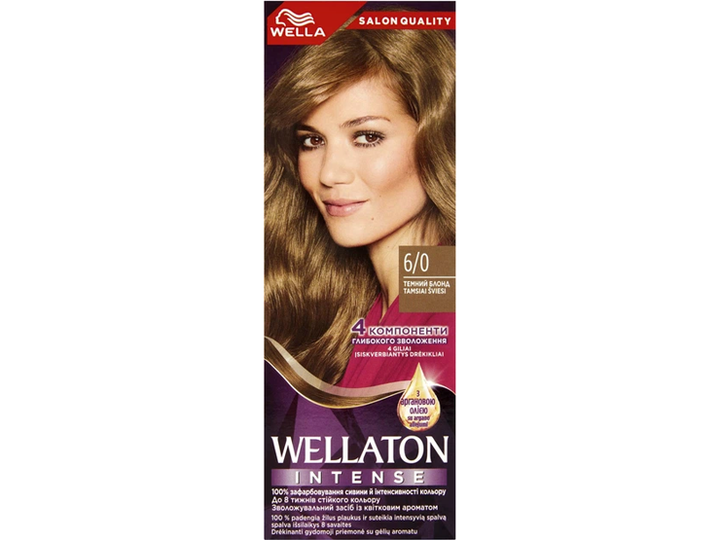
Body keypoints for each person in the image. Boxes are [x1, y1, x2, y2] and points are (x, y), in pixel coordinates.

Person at [264, 20, 456, 403]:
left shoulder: (448, 315)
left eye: (367, 137)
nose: (329, 174)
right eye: (312, 140)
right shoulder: (377, 310)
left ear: (438, 138)